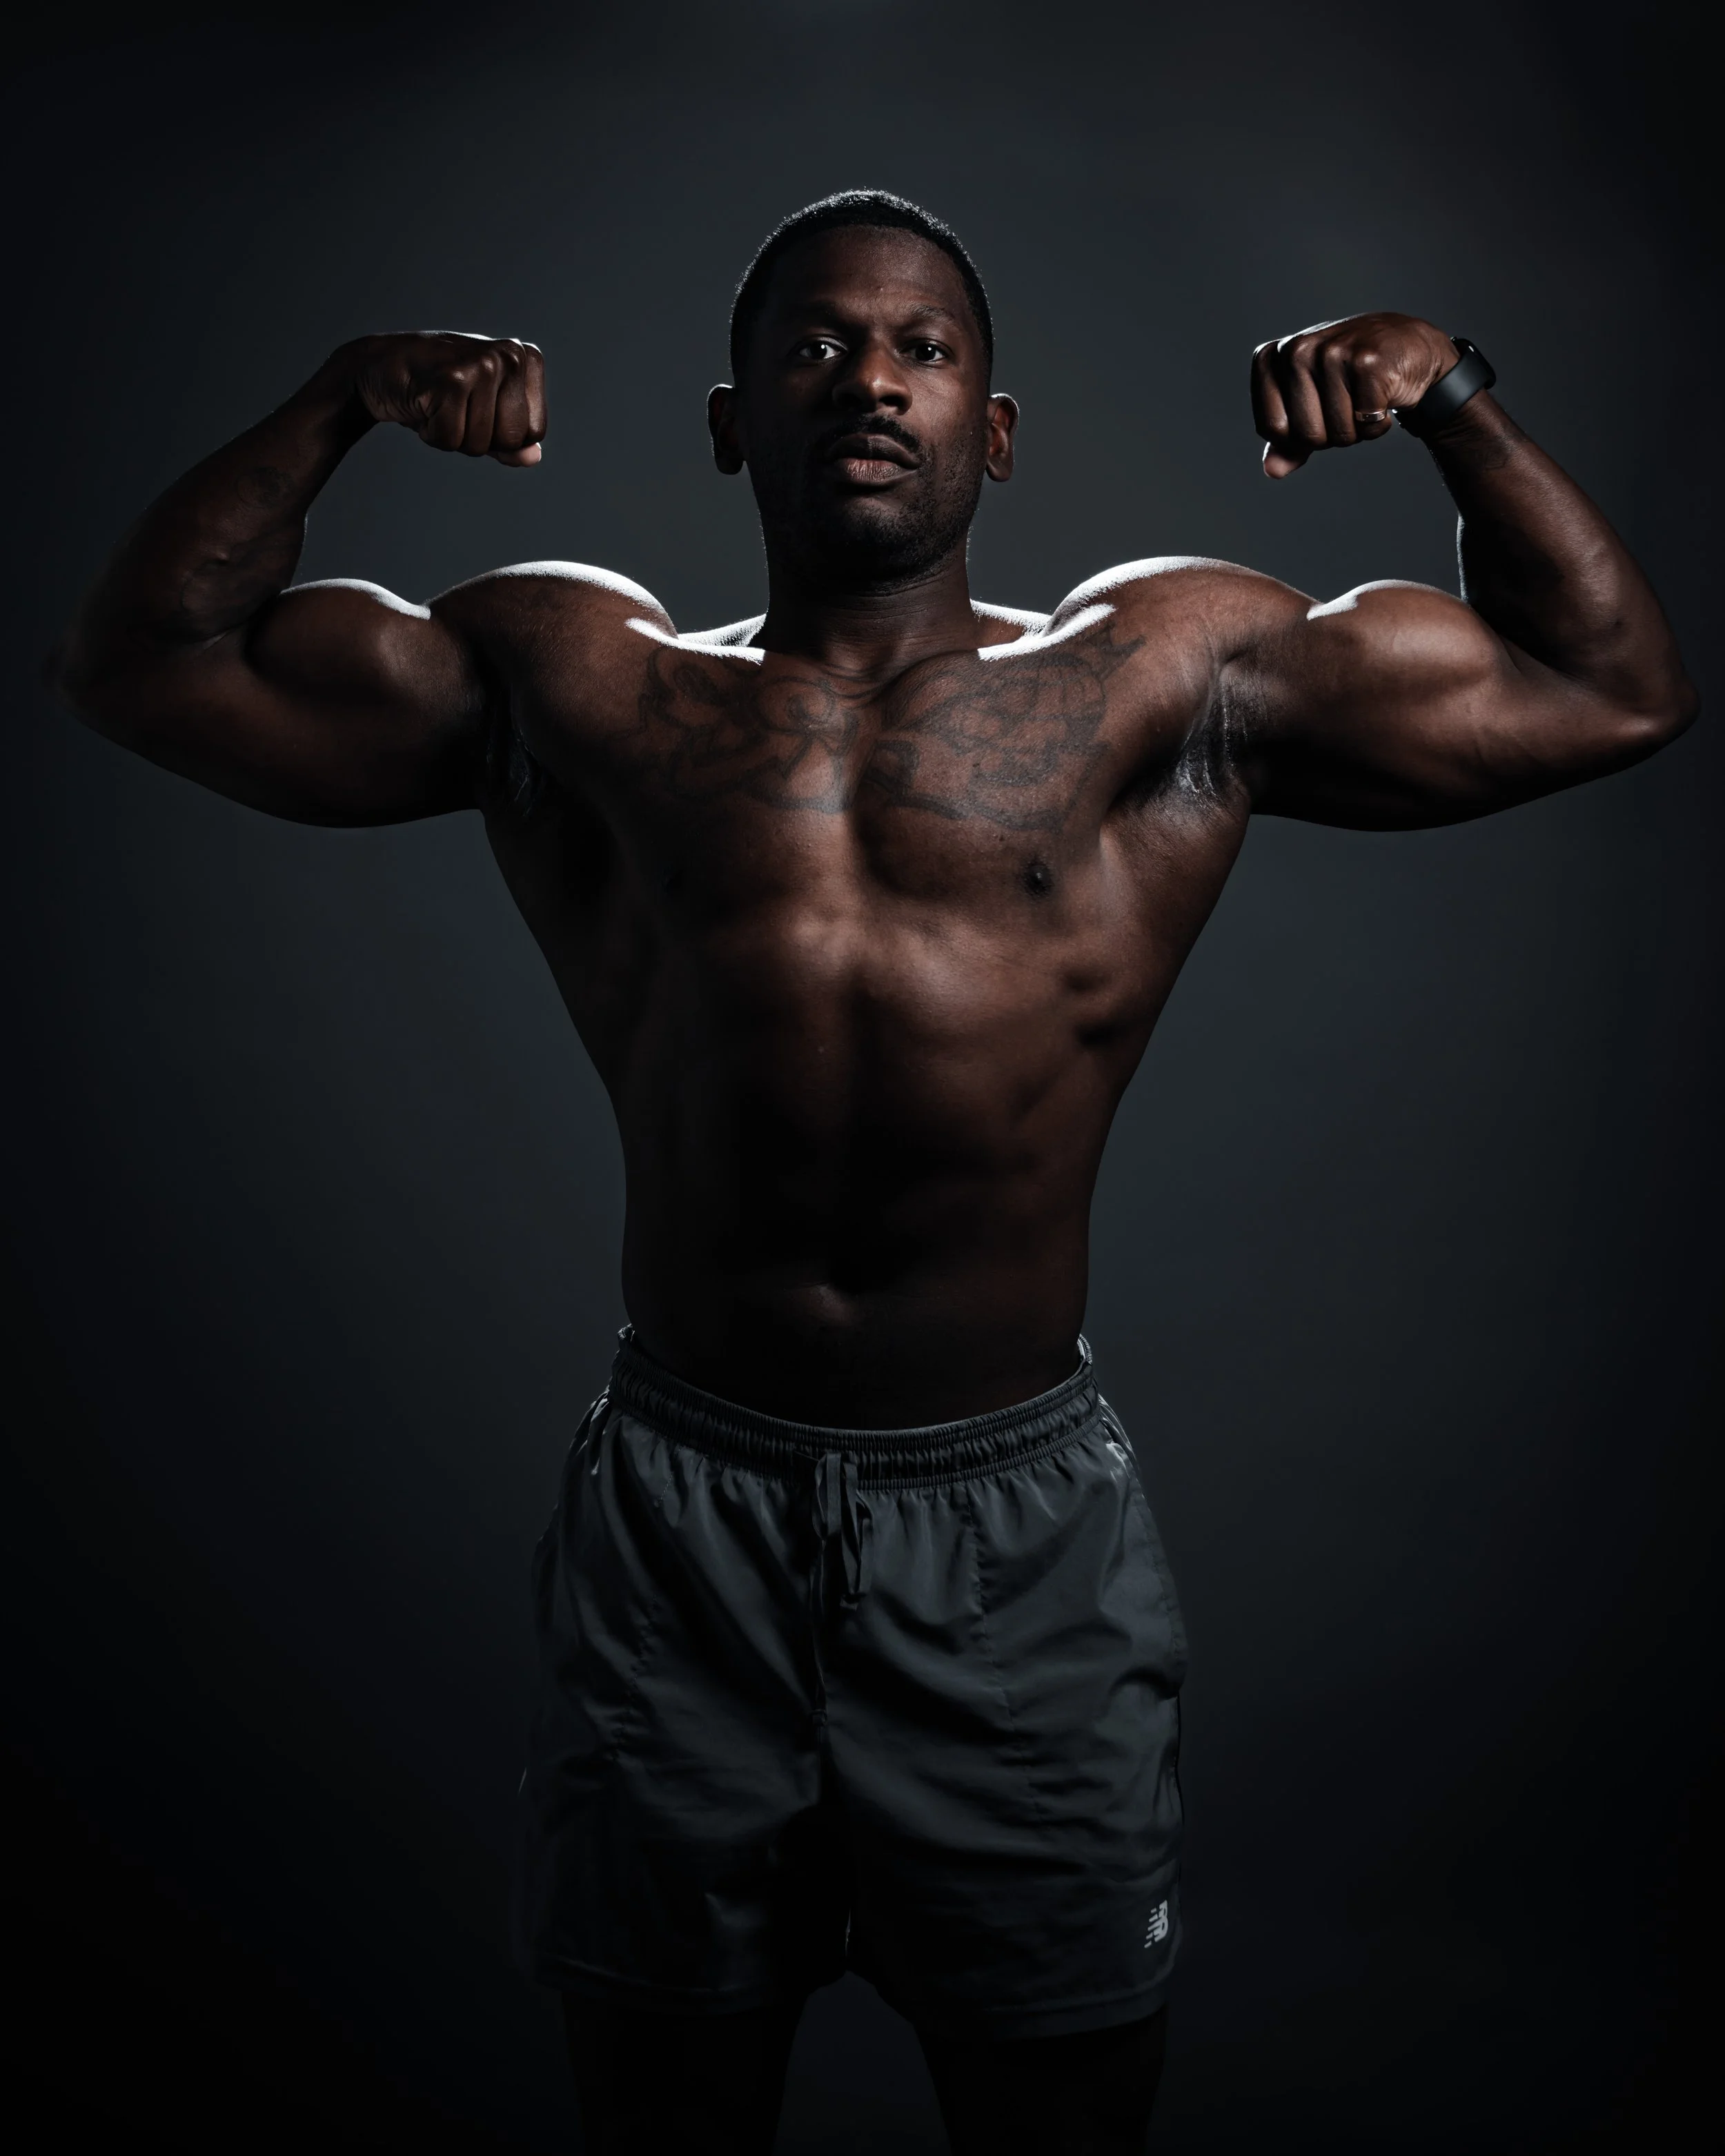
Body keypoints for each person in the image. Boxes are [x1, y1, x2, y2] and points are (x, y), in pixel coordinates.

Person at [57, 190, 1694, 2154]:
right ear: (731, 421)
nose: (873, 381)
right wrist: (336, 403)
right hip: (682, 1518)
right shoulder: (580, 680)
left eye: (922, 349)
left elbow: (1605, 687)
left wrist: (1453, 402)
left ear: (992, 432)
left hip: (1010, 1530)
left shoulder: (1156, 678)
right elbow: (145, 663)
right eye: (818, 345)